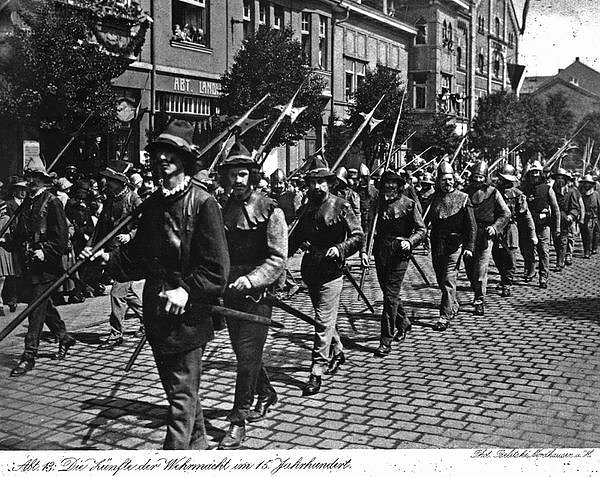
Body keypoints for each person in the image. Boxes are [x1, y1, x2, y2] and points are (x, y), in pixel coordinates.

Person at [81, 119, 229, 449]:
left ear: (185, 158)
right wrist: (107, 259)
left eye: (171, 152)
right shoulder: (154, 204)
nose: (163, 157)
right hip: (156, 313)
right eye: (159, 151)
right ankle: (198, 446)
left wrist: (187, 290)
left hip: (189, 317)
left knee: (180, 399)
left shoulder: (203, 203)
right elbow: (138, 257)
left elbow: (217, 269)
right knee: (179, 392)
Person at [217, 142, 287, 449]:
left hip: (259, 294)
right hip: (230, 292)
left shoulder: (271, 210)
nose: (238, 180)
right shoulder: (223, 209)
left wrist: (252, 280)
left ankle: (238, 420)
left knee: (247, 356)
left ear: (253, 176)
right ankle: (267, 392)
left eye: (243, 174)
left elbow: (277, 258)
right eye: (233, 174)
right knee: (245, 354)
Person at [288, 155, 364, 396]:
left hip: (332, 271)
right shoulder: (305, 210)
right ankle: (338, 350)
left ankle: (317, 369)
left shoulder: (342, 206)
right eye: (312, 182)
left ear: (330, 183)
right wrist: (277, 261)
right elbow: (292, 241)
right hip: (311, 270)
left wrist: (340, 249)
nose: (316, 187)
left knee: (322, 321)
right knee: (325, 320)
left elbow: (358, 236)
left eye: (321, 182)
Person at [7, 164, 76, 376]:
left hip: (46, 266)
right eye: (28, 177)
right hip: (29, 264)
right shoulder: (28, 201)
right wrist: (8, 242)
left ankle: (29, 356)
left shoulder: (52, 202)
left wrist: (45, 251)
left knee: (35, 309)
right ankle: (64, 337)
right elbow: (21, 232)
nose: (30, 181)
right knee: (43, 305)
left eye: (34, 177)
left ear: (43, 180)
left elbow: (61, 238)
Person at [361, 170, 425, 356]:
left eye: (393, 184)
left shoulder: (409, 204)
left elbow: (421, 230)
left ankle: (385, 340)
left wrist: (410, 241)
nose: (390, 187)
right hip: (381, 252)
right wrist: (364, 251)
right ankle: (403, 322)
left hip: (400, 253)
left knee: (389, 296)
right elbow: (367, 229)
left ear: (399, 186)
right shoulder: (376, 204)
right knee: (389, 293)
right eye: (386, 183)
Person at [94, 160, 145, 347]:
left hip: (129, 255)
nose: (106, 183)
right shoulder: (110, 200)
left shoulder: (134, 200)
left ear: (121, 182)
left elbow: (146, 226)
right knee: (126, 293)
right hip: (112, 253)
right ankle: (148, 321)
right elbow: (101, 227)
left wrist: (131, 235)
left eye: (110, 180)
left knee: (117, 293)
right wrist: (92, 247)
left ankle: (116, 334)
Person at [427, 161, 476, 331]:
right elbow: (424, 221)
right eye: (444, 180)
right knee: (441, 279)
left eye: (450, 179)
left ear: (454, 180)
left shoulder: (463, 198)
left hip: (455, 245)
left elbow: (471, 225)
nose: (447, 183)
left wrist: (469, 246)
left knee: (449, 279)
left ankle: (444, 316)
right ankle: (453, 304)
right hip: (437, 244)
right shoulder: (432, 199)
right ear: (438, 181)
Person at [463, 160, 510, 315]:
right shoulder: (464, 192)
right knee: (470, 268)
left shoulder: (493, 193)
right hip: (468, 236)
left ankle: (479, 299)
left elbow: (506, 213)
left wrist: (495, 227)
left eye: (481, 177)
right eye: (476, 176)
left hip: (485, 235)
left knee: (481, 269)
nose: (478, 180)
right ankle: (475, 290)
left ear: (485, 177)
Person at [492, 164, 537, 297]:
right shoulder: (493, 192)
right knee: (497, 256)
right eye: (502, 179)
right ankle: (503, 278)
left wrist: (532, 233)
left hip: (511, 228)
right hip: (496, 227)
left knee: (510, 257)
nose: (503, 181)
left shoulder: (518, 195)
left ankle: (507, 283)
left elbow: (526, 215)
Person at [519, 160, 560, 288]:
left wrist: (557, 227)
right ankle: (530, 270)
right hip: (527, 225)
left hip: (543, 225)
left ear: (541, 174)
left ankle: (543, 277)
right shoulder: (524, 189)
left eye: (537, 172)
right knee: (527, 250)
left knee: (543, 251)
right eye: (532, 173)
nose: (535, 175)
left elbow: (556, 209)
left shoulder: (548, 189)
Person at [551, 168, 580, 271]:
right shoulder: (552, 191)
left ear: (565, 180)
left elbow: (575, 208)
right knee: (556, 240)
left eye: (562, 178)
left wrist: (571, 216)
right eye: (558, 178)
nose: (560, 180)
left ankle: (560, 262)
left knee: (563, 240)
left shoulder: (571, 192)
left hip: (565, 220)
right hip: (554, 220)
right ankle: (560, 257)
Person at [579, 174, 600, 258]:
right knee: (586, 234)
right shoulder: (581, 194)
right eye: (585, 183)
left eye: (588, 183)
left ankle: (594, 247)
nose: (587, 185)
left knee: (596, 233)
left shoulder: (596, 194)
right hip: (585, 216)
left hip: (595, 216)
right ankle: (587, 250)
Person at [356, 163, 378, 232]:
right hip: (359, 219)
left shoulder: (375, 192)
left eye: (362, 177)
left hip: (371, 220)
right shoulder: (355, 191)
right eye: (359, 177)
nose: (360, 180)